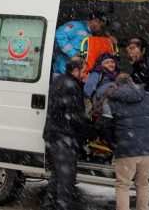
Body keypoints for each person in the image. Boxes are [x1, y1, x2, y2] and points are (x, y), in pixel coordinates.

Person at [100, 73, 149, 210]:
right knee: (143, 184)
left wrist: (115, 145)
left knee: (123, 185)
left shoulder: (110, 101)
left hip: (126, 151)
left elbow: (105, 127)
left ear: (117, 85)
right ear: (132, 82)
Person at [42, 58, 96, 210]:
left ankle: (49, 205)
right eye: (84, 72)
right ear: (76, 71)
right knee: (66, 180)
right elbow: (75, 117)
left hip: (54, 136)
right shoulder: (72, 86)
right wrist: (91, 133)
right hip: (63, 139)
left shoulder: (59, 80)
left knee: (57, 176)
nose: (86, 76)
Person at [53, 11, 110, 78]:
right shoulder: (75, 26)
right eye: (101, 25)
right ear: (96, 21)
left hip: (77, 75)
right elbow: (59, 35)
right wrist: (73, 54)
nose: (101, 28)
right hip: (63, 73)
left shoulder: (91, 35)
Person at [126, 36, 149, 113]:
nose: (132, 58)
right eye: (130, 55)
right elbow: (137, 73)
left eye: (135, 56)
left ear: (143, 51)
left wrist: (144, 85)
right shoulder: (143, 55)